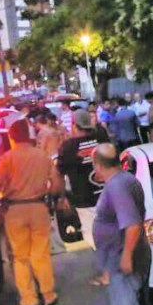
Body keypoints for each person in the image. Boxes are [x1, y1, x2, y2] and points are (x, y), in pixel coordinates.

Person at [0, 120, 64, 305]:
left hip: (14, 211)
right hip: (39, 209)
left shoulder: (7, 158)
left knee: (20, 257)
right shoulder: (42, 156)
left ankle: (28, 300)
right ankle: (48, 295)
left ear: (11, 137)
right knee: (41, 253)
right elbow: (56, 183)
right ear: (29, 136)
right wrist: (53, 197)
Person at [91, 143, 152, 305]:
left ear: (98, 165)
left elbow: (132, 224)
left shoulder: (117, 187)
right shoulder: (127, 179)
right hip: (131, 253)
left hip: (123, 256)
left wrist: (125, 256)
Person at [57, 109, 111, 285]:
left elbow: (59, 174)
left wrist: (62, 196)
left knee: (93, 235)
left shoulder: (68, 147)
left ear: (74, 125)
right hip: (109, 195)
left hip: (84, 199)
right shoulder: (101, 139)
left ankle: (107, 274)